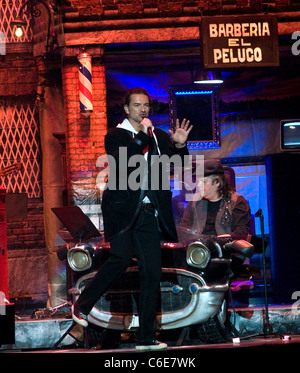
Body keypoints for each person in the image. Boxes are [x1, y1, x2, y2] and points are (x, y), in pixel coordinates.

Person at [72, 87, 192, 351]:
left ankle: (146, 337)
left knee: (151, 273)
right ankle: (82, 303)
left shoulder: (158, 136)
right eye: (137, 105)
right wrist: (143, 134)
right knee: (121, 257)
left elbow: (179, 165)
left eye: (146, 105)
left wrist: (180, 146)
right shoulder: (115, 136)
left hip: (150, 212)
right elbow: (126, 161)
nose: (143, 110)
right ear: (127, 109)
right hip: (122, 211)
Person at [180, 159, 251, 237]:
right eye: (198, 182)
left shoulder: (237, 201)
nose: (199, 185)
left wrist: (229, 237)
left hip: (225, 247)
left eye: (204, 182)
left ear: (217, 182)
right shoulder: (195, 201)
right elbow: (184, 228)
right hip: (199, 248)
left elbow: (242, 231)